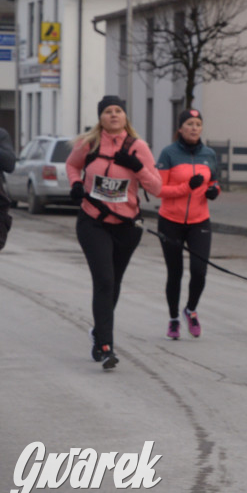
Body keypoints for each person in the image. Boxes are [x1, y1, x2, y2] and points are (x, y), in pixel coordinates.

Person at [66, 95, 162, 370]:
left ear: (125, 116)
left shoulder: (138, 147)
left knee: (114, 282)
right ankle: (105, 346)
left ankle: (99, 331)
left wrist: (137, 167)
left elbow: (157, 188)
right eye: (108, 111)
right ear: (101, 118)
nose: (113, 115)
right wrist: (75, 184)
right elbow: (73, 165)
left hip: (127, 226)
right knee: (104, 280)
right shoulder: (90, 144)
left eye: (118, 110)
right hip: (93, 222)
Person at [155, 108, 221, 340]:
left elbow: (214, 182)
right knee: (175, 273)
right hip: (170, 221)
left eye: (198, 124)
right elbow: (159, 190)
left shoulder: (209, 154)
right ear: (180, 129)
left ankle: (190, 310)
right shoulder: (168, 154)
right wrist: (186, 187)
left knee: (199, 271)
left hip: (199, 220)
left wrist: (214, 191)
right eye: (189, 124)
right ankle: (174, 319)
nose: (194, 128)